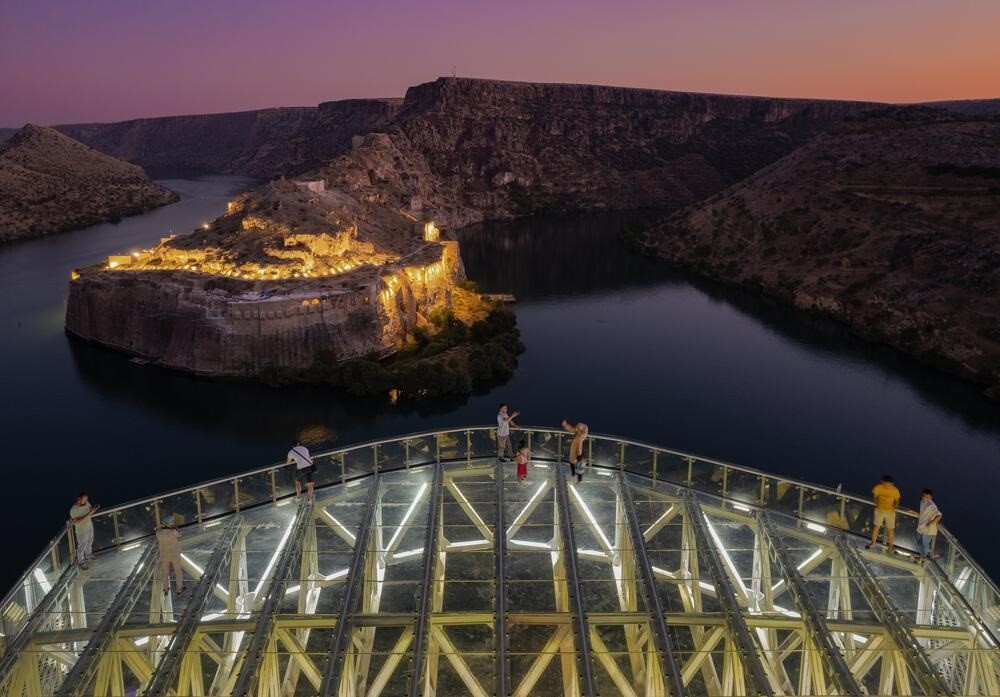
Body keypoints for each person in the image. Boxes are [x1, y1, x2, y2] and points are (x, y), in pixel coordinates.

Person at [867, 474, 901, 552]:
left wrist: (895, 507)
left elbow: (897, 501)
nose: (887, 485)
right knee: (876, 527)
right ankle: (873, 543)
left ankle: (890, 546)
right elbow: (875, 497)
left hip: (890, 512)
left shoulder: (895, 490)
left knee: (891, 529)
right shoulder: (878, 488)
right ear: (882, 482)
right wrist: (877, 504)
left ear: (892, 483)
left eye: (888, 483)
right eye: (885, 483)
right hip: (879, 510)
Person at [156, 514, 185, 595]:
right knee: (178, 572)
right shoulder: (173, 532)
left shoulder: (158, 533)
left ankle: (165, 589)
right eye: (172, 522)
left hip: (164, 556)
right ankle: (179, 589)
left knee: (165, 573)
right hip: (174, 555)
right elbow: (179, 534)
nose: (173, 523)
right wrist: (175, 527)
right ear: (169, 523)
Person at [69, 493, 99, 570]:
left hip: (89, 526)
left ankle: (88, 555)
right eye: (84, 499)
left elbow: (90, 510)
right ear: (79, 499)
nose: (86, 501)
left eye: (86, 499)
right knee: (81, 546)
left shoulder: (87, 503)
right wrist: (89, 513)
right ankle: (81, 562)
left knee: (90, 541)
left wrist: (93, 510)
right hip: (81, 530)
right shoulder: (73, 510)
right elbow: (77, 521)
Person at [914, 489, 942, 562]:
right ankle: (922, 555)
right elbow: (923, 513)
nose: (925, 498)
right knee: (916, 538)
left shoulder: (932, 505)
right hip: (921, 526)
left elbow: (939, 516)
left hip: (928, 528)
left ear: (931, 497)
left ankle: (923, 557)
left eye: (927, 497)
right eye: (924, 496)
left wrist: (931, 523)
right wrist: (915, 513)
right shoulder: (922, 502)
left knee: (925, 544)